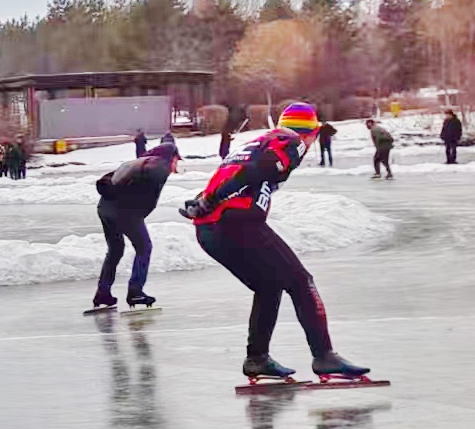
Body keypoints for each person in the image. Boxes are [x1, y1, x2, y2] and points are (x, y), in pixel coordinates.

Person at [179, 102, 368, 381]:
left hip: (209, 231)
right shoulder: (292, 141)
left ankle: (257, 358)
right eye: (314, 135)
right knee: (301, 282)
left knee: (269, 286)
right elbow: (255, 171)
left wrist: (203, 200)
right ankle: (324, 355)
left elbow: (233, 175)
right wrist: (212, 198)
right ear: (311, 132)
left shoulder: (255, 143)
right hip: (237, 224)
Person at [92, 142, 180, 310]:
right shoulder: (158, 166)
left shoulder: (136, 163)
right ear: (171, 157)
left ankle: (103, 293)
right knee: (144, 247)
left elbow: (107, 182)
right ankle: (135, 292)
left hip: (105, 209)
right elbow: (144, 186)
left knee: (115, 250)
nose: (176, 165)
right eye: (176, 160)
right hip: (126, 212)